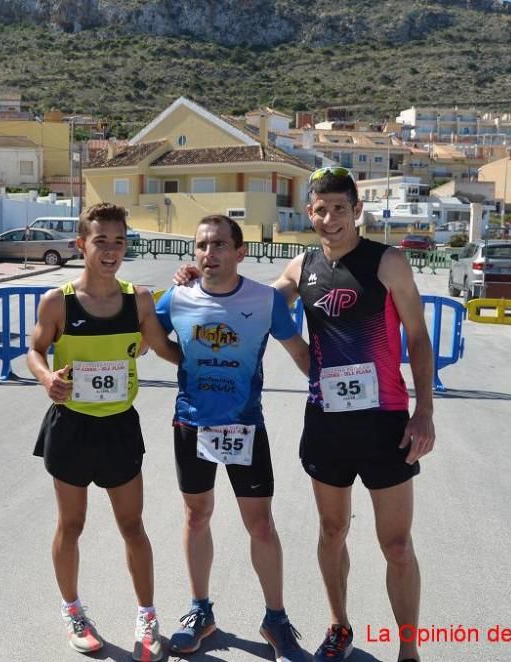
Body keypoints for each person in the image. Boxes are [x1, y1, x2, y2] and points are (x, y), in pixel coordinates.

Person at [273, 167, 436, 662]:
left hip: (385, 422)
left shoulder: (388, 263)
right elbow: (255, 303)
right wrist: (199, 276)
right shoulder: (301, 267)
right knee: (331, 531)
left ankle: (408, 649)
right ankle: (339, 626)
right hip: (327, 423)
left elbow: (418, 337)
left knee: (398, 545)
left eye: (339, 208)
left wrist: (424, 410)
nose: (330, 218)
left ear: (357, 210)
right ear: (310, 213)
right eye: (320, 210)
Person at [27, 202, 180, 661]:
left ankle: (148, 616)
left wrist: (215, 354)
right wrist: (46, 379)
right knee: (71, 524)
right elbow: (35, 350)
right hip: (71, 426)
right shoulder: (57, 302)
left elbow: (165, 350)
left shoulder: (138, 301)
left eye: (119, 241)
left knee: (132, 525)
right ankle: (73, 611)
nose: (111, 250)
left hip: (118, 428)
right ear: (81, 245)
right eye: (101, 241)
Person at [156, 214, 310, 660]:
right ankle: (200, 611)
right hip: (192, 422)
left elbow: (299, 351)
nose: (210, 253)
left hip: (245, 424)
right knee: (195, 517)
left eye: (220, 245)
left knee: (260, 525)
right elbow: (152, 335)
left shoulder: (264, 300)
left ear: (241, 252)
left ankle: (275, 620)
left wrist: (339, 392)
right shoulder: (178, 297)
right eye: (202, 245)